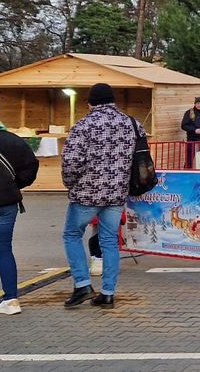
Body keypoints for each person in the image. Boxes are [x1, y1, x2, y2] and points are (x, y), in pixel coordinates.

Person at [61, 83, 142, 310]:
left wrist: (70, 184)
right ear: (113, 101)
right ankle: (108, 292)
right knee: (109, 242)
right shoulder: (131, 123)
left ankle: (82, 284)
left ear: (90, 103)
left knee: (71, 235)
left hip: (86, 194)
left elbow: (71, 162)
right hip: (117, 195)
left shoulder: (84, 126)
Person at [0, 99, 39, 315]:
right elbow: (30, 168)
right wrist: (14, 185)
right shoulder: (15, 141)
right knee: (3, 250)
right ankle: (11, 300)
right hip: (6, 203)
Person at [181, 97, 200, 168]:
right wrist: (194, 130)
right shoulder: (189, 112)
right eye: (198, 103)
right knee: (189, 160)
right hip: (192, 140)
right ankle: (187, 173)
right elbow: (184, 126)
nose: (199, 105)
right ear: (195, 104)